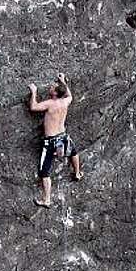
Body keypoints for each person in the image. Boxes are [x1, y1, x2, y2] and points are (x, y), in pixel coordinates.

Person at [28, 73, 82, 207]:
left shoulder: (49, 104)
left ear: (55, 93)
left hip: (51, 142)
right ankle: (77, 173)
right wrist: (63, 82)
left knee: (44, 171)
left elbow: (33, 107)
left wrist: (34, 92)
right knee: (73, 152)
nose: (50, 87)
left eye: (53, 87)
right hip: (62, 139)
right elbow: (70, 96)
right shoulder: (65, 101)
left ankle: (46, 200)